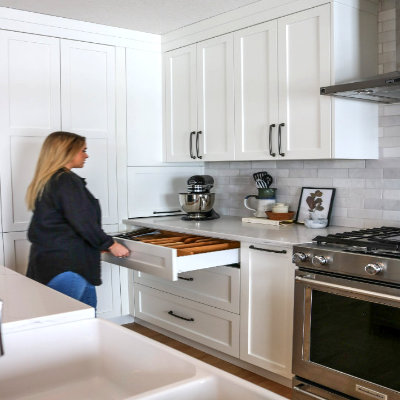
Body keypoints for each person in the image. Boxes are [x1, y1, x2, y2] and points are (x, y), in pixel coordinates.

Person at [25, 131, 129, 308]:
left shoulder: (49, 180)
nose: (86, 155)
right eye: (83, 150)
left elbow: (60, 225)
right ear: (67, 152)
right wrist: (110, 244)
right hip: (69, 267)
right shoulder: (66, 181)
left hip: (51, 264)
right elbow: (83, 222)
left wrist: (96, 245)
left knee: (80, 325)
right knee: (70, 327)